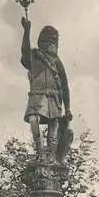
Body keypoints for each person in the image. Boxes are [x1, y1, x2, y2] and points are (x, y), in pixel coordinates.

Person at [21, 17, 73, 162]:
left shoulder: (57, 61)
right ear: (43, 42)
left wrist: (67, 109)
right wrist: (27, 31)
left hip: (54, 98)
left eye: (55, 42)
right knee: (33, 119)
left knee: (53, 124)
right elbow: (25, 54)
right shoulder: (34, 56)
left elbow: (64, 85)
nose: (53, 45)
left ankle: (50, 154)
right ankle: (40, 151)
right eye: (50, 41)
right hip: (37, 96)